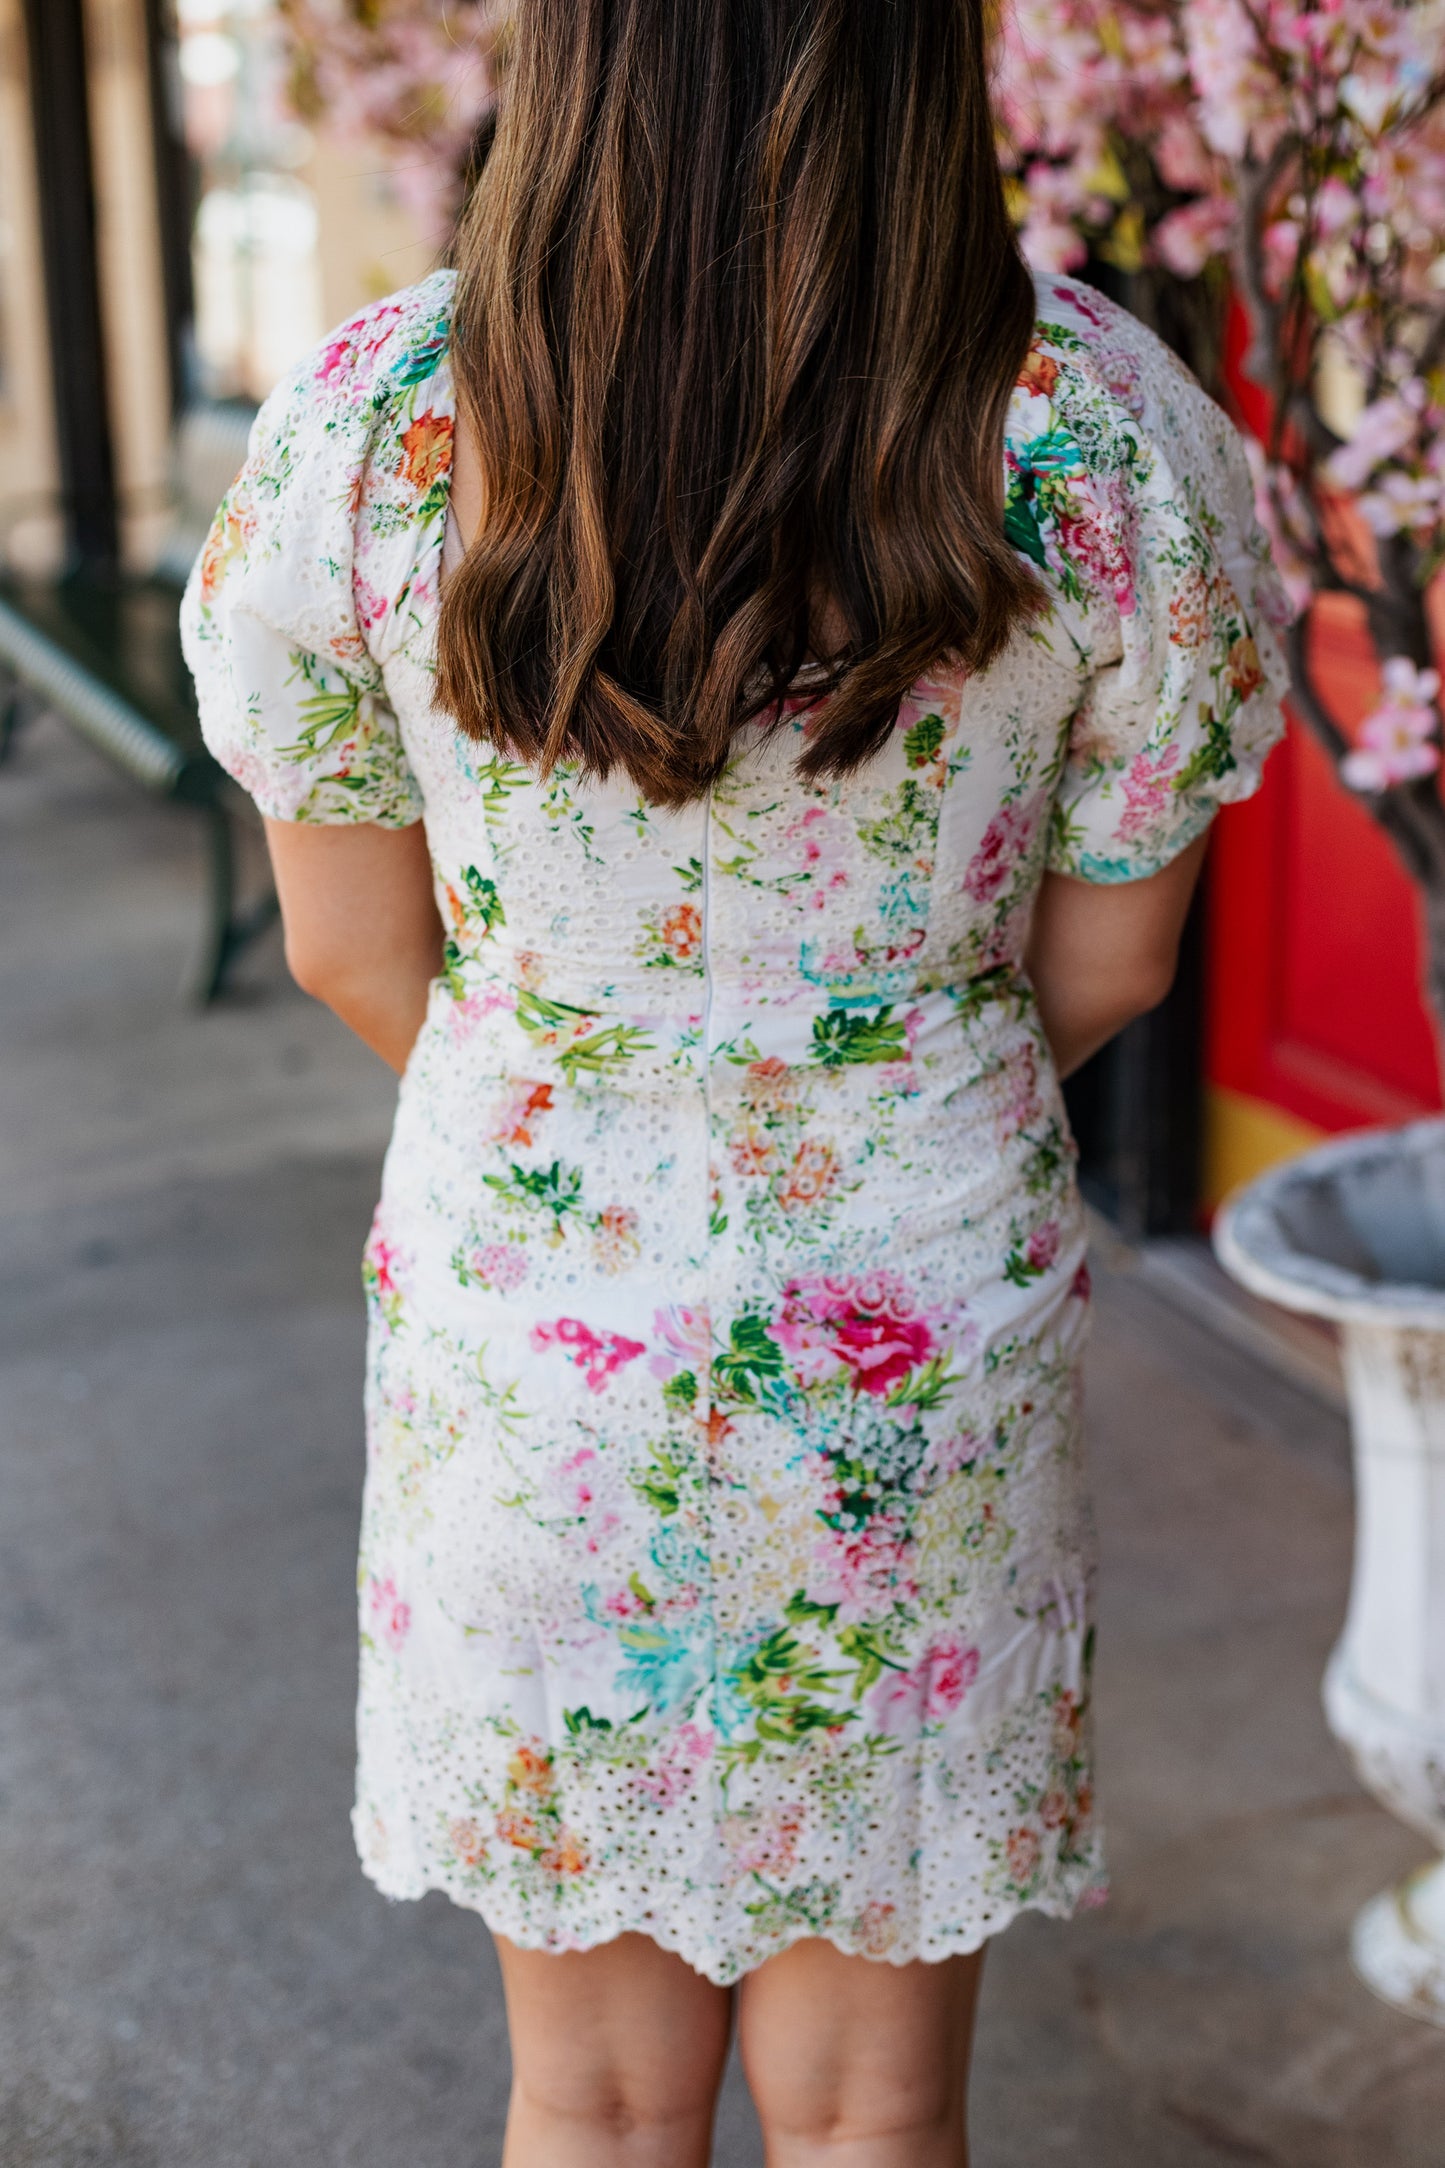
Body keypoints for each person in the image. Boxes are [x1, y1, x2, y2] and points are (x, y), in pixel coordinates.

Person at [181, 2, 1288, 2159]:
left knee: (583, 2103)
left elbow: (347, 946)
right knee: (875, 2114)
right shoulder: (1088, 427)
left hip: (531, 1352)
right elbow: (1117, 958)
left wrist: (589, 1117)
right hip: (917, 1341)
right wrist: (873, 1109)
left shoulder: (383, 419)